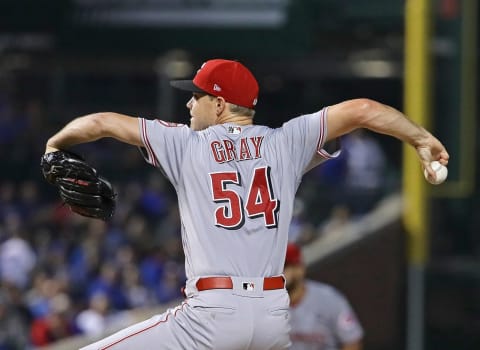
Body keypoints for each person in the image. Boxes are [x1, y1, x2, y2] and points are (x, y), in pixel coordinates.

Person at [43, 58, 449, 349]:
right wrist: (421, 139)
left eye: (197, 96)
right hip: (273, 317)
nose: (189, 104)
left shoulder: (185, 143)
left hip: (211, 316)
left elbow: (101, 123)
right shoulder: (287, 141)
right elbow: (364, 110)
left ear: (219, 104)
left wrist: (54, 146)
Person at [284, 243, 363, 350]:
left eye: (285, 266)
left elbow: (352, 341)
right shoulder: (266, 304)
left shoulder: (328, 298)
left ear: (300, 269)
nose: (279, 272)